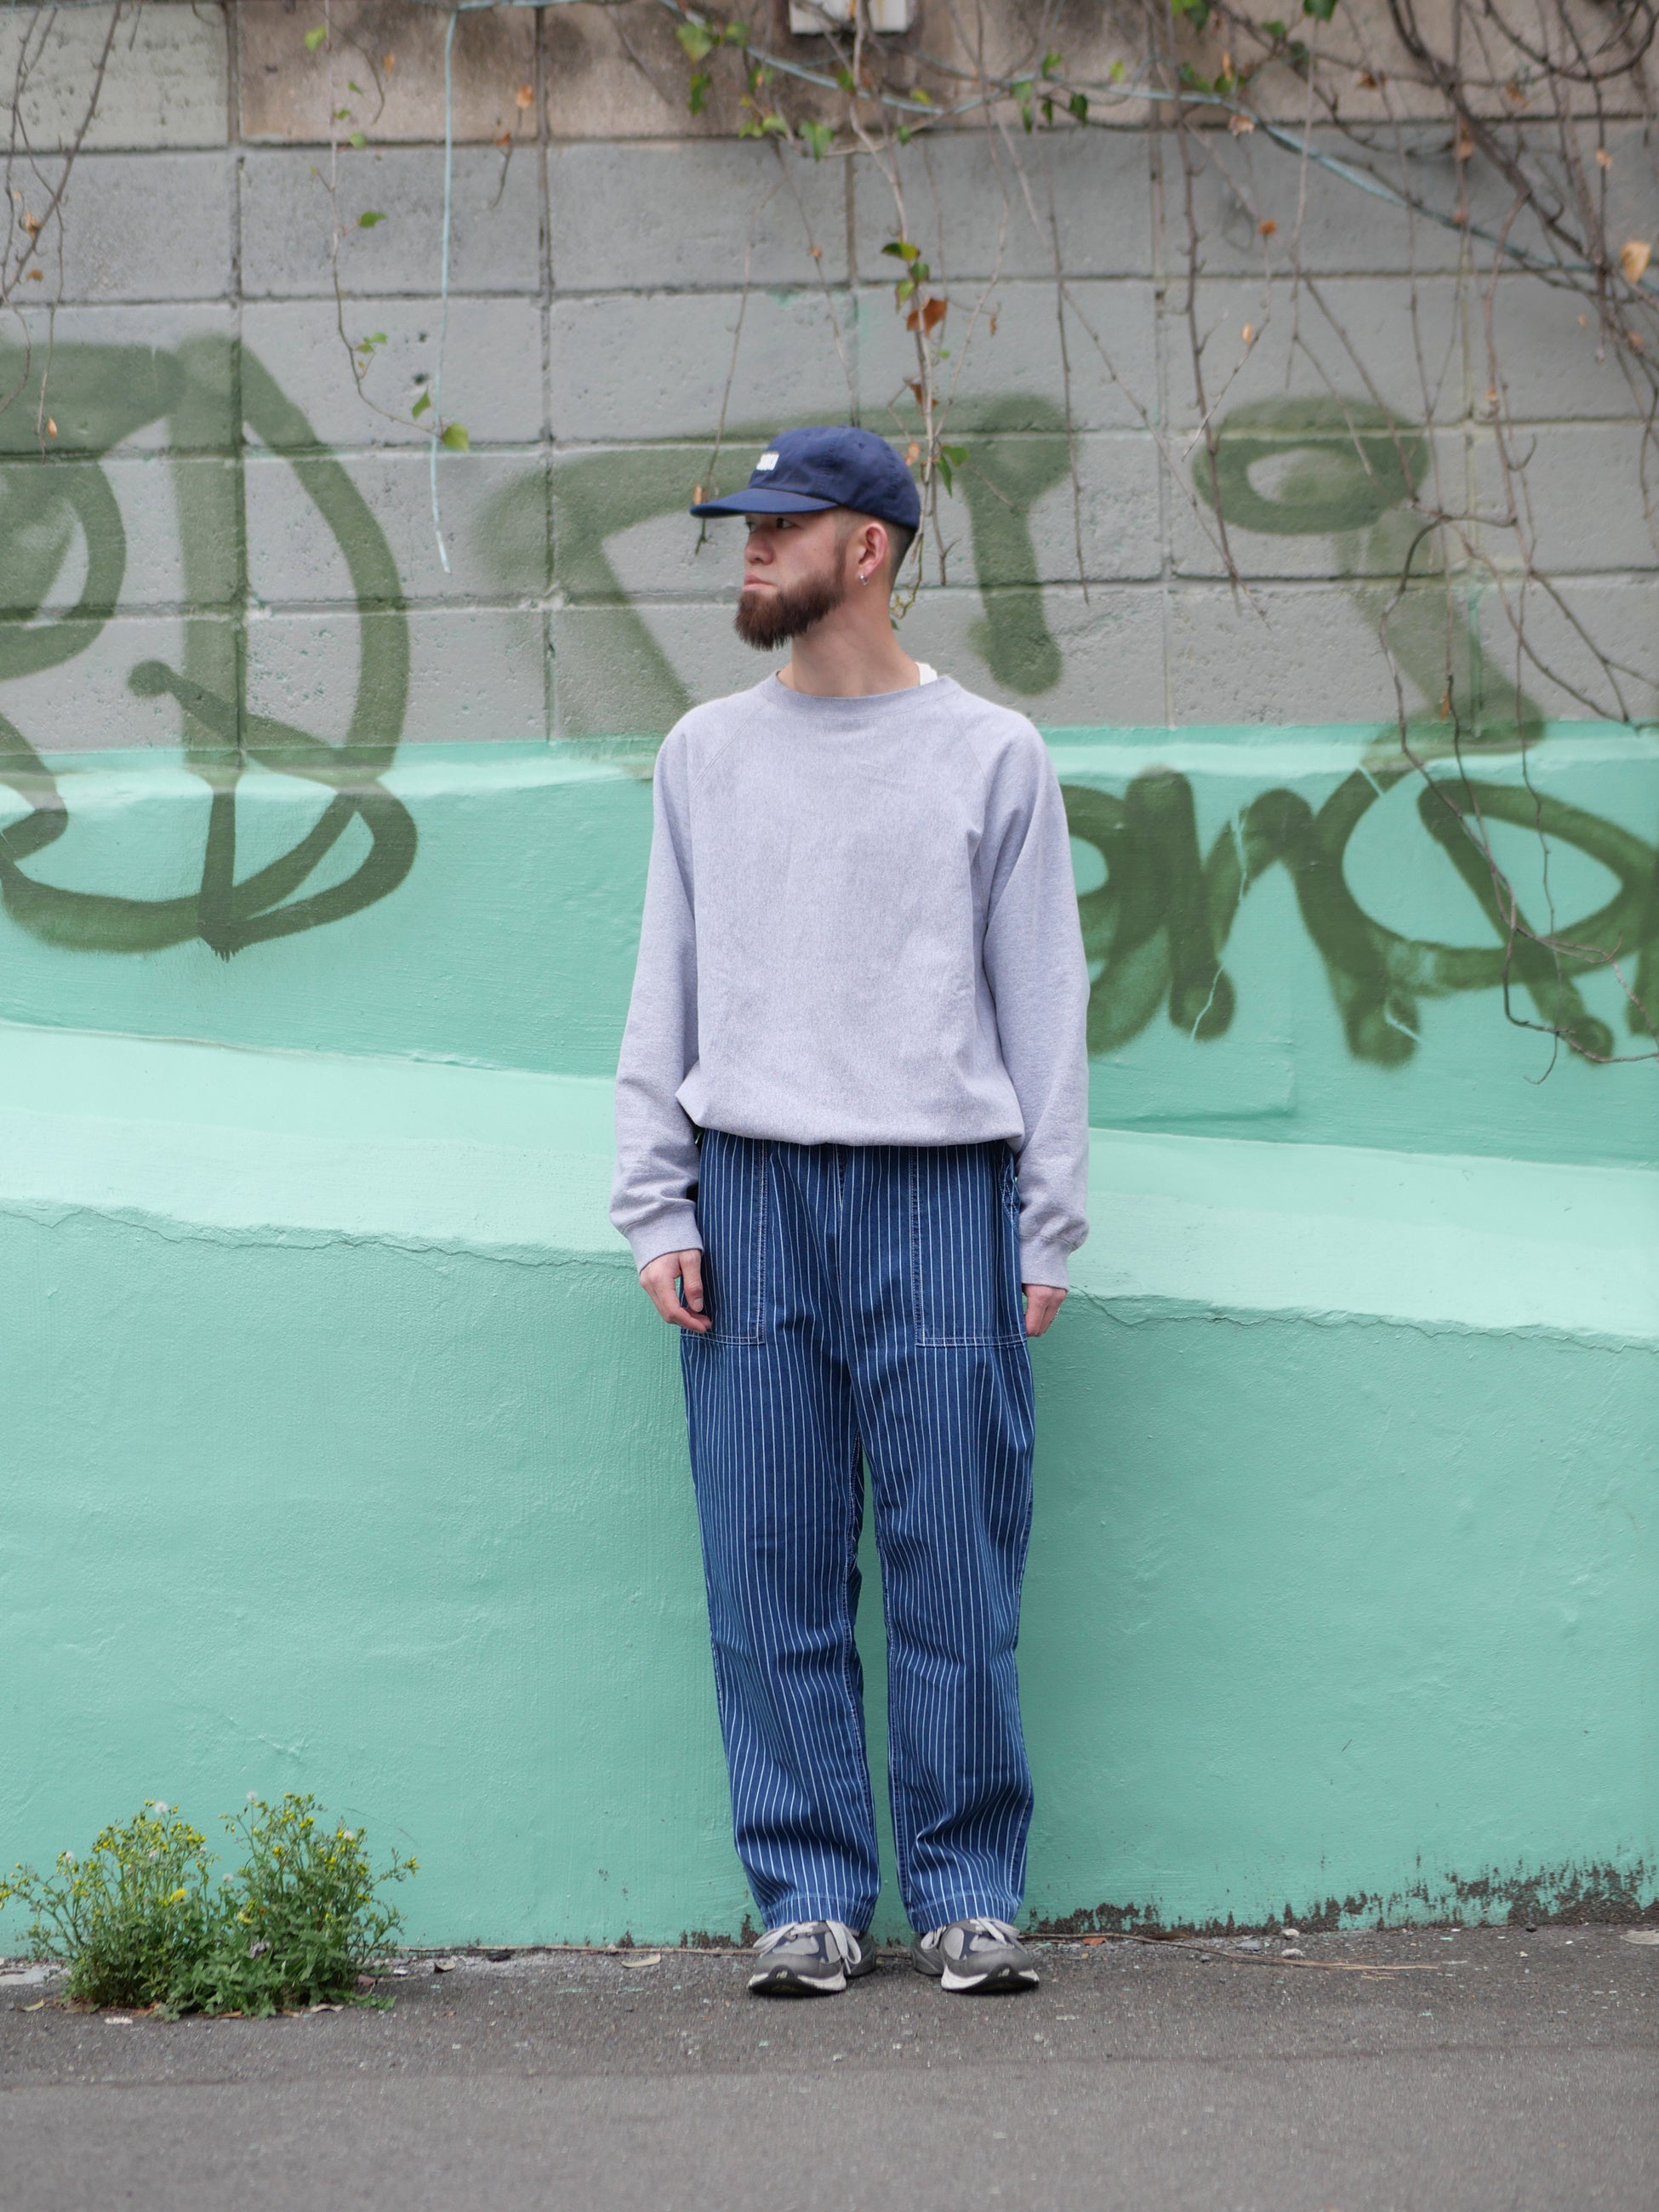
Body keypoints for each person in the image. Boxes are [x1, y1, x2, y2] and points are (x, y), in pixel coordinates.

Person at [610, 425, 1090, 1998]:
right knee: (768, 1568)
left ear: (866, 547)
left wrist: (1045, 1221)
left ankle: (966, 1891)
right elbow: (666, 986)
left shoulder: (990, 754)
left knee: (957, 1564)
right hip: (751, 1191)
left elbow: (1043, 1002)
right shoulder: (705, 754)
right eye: (741, 527)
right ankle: (807, 1893)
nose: (748, 549)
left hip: (942, 1196)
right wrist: (656, 1204)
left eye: (779, 526)